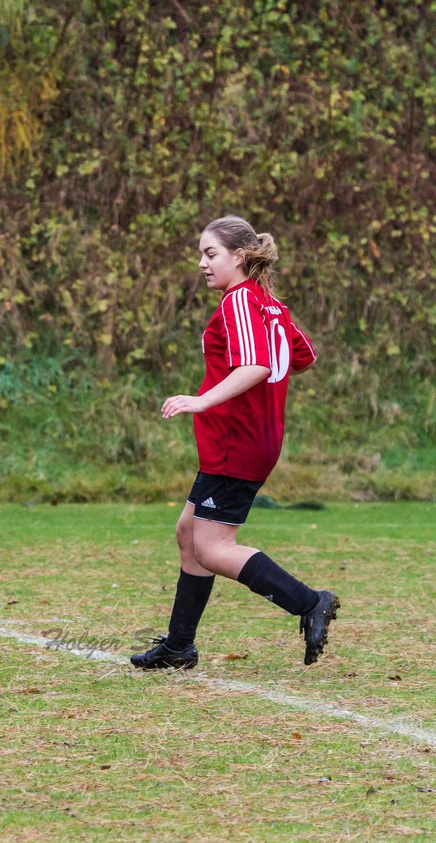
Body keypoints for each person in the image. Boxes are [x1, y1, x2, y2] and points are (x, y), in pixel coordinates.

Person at [132, 216, 339, 670]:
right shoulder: (268, 304)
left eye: (211, 254)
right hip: (250, 439)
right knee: (188, 533)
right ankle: (178, 646)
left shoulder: (239, 301)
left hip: (237, 442)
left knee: (211, 547)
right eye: (202, 255)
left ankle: (308, 602)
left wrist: (203, 400)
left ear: (239, 256)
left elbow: (257, 366)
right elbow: (303, 355)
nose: (202, 264)